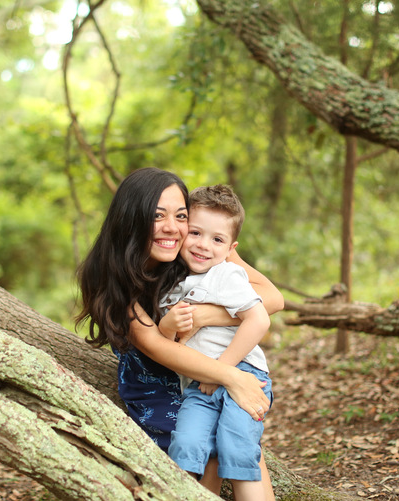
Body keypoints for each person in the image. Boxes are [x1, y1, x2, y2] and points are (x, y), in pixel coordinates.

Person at [75, 167, 283, 499]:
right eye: (158, 216)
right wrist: (230, 376)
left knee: (230, 436)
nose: (173, 227)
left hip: (203, 368)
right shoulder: (111, 274)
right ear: (134, 218)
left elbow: (272, 298)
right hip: (159, 379)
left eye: (180, 215)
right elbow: (158, 346)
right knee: (198, 442)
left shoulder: (202, 243)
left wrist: (202, 316)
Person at [159, 184, 272, 501]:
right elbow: (170, 347)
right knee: (186, 445)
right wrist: (167, 327)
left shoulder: (226, 275)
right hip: (199, 385)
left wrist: (222, 369)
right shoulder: (171, 286)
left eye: (217, 239)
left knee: (235, 446)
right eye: (195, 233)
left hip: (244, 373)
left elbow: (259, 319)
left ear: (230, 247)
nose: (203, 246)